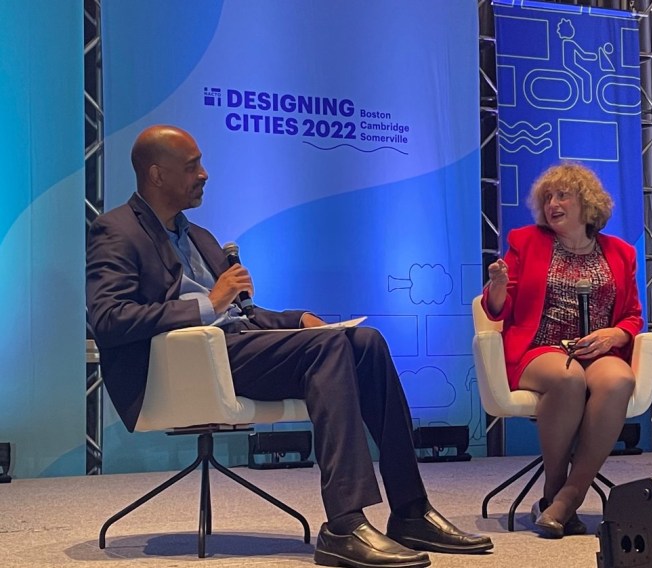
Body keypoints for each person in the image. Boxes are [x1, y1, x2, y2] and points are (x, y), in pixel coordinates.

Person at [87, 125, 493, 567]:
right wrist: (209, 303)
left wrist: (295, 319)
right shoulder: (117, 230)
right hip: (182, 367)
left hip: (236, 348)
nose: (204, 174)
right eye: (191, 167)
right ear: (156, 174)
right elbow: (108, 319)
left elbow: (242, 313)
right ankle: (344, 524)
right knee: (327, 349)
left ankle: (410, 511)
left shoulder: (199, 236)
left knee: (364, 343)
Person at [482, 162, 643, 539]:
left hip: (597, 351)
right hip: (539, 349)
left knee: (620, 381)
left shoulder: (621, 253)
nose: (552, 204)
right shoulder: (526, 241)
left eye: (562, 196)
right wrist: (498, 286)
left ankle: (567, 498)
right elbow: (497, 309)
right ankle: (554, 487)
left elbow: (633, 315)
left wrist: (614, 336)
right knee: (568, 378)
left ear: (587, 203)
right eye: (547, 198)